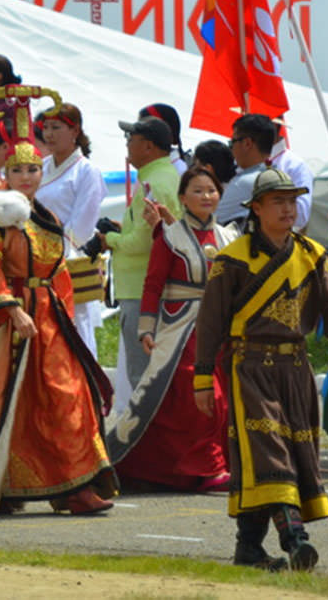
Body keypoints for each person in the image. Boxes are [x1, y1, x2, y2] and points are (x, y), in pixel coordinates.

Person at [0, 127, 116, 515]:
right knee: (10, 403)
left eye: (33, 169)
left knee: (68, 395)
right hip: (13, 323)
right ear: (6, 176)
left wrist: (63, 311)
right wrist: (12, 309)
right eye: (19, 170)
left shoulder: (46, 217)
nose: (27, 176)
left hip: (50, 320)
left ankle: (70, 485)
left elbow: (58, 269)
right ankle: (4, 486)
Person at [194, 168, 328, 571]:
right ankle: (296, 539)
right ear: (256, 208)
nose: (288, 209)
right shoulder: (232, 259)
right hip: (250, 367)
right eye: (278, 201)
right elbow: (210, 323)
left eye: (292, 201)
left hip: (294, 368)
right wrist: (203, 376)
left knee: (292, 452)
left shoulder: (311, 254)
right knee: (268, 450)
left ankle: (248, 549)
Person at [108, 167, 236, 491]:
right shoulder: (169, 236)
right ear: (182, 198)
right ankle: (206, 466)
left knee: (225, 396)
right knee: (200, 396)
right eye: (198, 190)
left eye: (212, 190)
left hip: (221, 327)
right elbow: (152, 285)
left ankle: (175, 468)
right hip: (182, 330)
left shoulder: (230, 237)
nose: (206, 196)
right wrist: (146, 329)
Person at [103, 116, 182, 401]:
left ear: (148, 146)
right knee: (150, 374)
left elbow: (145, 241)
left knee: (144, 377)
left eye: (131, 139)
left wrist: (109, 240)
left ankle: (148, 440)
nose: (127, 144)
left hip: (143, 289)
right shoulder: (159, 177)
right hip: (145, 287)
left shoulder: (155, 183)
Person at [35, 103, 105, 356]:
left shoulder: (87, 171)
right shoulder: (40, 167)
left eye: (57, 127)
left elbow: (83, 226)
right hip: (35, 259)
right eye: (46, 128)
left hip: (67, 258)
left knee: (75, 329)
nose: (49, 134)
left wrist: (53, 251)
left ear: (74, 130)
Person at [215, 114, 274, 228]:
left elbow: (213, 221)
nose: (231, 148)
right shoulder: (279, 175)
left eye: (232, 142)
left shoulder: (244, 183)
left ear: (247, 143)